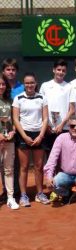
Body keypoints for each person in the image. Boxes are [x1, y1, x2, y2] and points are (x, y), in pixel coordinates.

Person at [12, 72, 49, 207]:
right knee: (24, 167)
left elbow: (45, 118)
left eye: (32, 83)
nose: (29, 85)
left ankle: (40, 194)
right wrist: (24, 136)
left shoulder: (42, 98)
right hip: (24, 134)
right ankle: (23, 195)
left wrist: (40, 135)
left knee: (39, 167)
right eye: (27, 83)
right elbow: (16, 119)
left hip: (39, 134)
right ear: (24, 84)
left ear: (36, 83)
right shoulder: (18, 98)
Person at [44, 115, 76, 206]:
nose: (75, 128)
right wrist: (49, 176)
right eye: (72, 126)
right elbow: (52, 158)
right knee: (53, 184)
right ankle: (67, 193)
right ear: (68, 127)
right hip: (65, 174)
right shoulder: (61, 138)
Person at [0, 58, 23, 202]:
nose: (11, 72)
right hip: (2, 133)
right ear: (3, 71)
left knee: (14, 163)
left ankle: (15, 191)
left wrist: (14, 130)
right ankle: (5, 191)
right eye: (8, 69)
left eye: (13, 69)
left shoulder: (22, 87)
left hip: (16, 131)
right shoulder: (2, 87)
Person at [40, 59, 72, 151]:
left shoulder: (69, 87)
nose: (61, 72)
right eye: (58, 70)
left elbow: (72, 109)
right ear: (54, 70)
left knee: (63, 158)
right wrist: (46, 125)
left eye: (63, 71)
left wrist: (62, 125)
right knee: (48, 157)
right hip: (48, 129)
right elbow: (41, 107)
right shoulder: (45, 86)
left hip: (63, 129)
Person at [0, 73, 19, 209]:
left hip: (9, 140)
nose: (1, 86)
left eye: (3, 84)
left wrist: (13, 131)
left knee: (9, 169)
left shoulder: (10, 100)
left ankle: (10, 198)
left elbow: (13, 119)